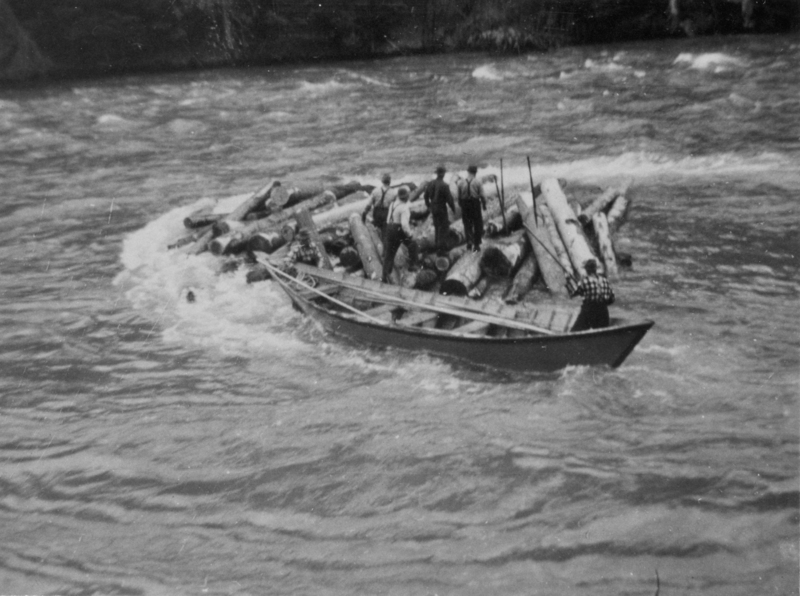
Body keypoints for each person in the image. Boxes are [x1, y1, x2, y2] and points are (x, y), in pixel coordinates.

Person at [382, 187, 419, 283]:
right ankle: (412, 265)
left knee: (389, 254)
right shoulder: (404, 208)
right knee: (413, 244)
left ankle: (384, 276)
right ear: (406, 197)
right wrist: (409, 234)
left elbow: (388, 218)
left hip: (389, 228)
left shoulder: (392, 204)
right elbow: (404, 224)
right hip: (399, 229)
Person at [566, 259, 615, 331]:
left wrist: (568, 281)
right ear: (595, 269)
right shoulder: (605, 280)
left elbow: (572, 294)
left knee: (575, 331)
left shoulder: (584, 281)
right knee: (602, 332)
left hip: (589, 310)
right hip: (603, 311)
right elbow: (612, 297)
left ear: (587, 270)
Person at [423, 165, 455, 253]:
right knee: (443, 228)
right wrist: (453, 209)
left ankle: (437, 246)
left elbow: (425, 196)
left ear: (437, 174)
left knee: (437, 227)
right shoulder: (445, 185)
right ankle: (441, 249)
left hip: (433, 207)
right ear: (443, 174)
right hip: (441, 208)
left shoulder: (431, 183)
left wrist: (428, 206)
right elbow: (449, 199)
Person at [457, 164, 487, 252]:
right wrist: (484, 205)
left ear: (468, 172)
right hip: (475, 204)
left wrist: (461, 205)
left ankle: (469, 242)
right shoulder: (478, 182)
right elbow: (482, 195)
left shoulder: (460, 182)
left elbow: (458, 197)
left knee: (467, 224)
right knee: (477, 224)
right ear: (475, 173)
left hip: (465, 204)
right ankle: (477, 244)